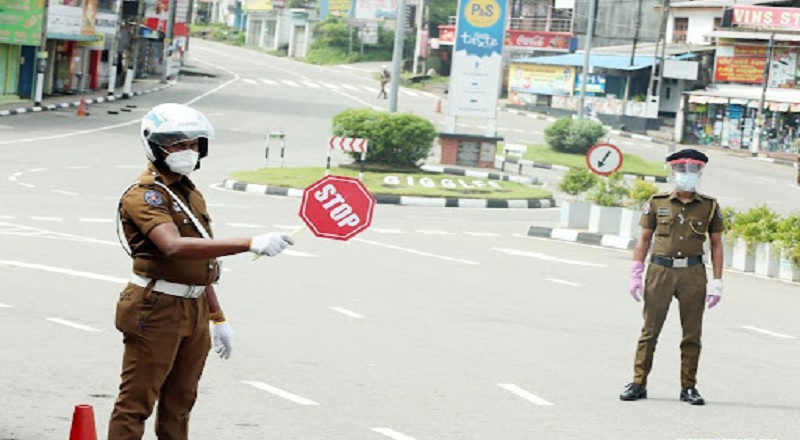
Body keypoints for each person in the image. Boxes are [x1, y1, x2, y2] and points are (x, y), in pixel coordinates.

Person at [108, 103, 295, 440]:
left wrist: (217, 317)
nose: (187, 151)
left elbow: (200, 264)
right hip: (156, 306)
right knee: (136, 404)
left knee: (181, 403)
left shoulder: (189, 193)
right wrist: (249, 242)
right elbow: (174, 247)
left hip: (193, 308)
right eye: (177, 144)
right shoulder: (145, 195)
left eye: (194, 144)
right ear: (155, 146)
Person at [620, 148, 724, 406]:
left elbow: (717, 244)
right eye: (681, 169)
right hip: (660, 271)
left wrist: (717, 281)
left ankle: (688, 387)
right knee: (650, 331)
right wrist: (636, 272)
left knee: (691, 334)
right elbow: (644, 239)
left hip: (693, 273)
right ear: (673, 171)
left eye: (693, 169)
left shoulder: (709, 207)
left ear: (700, 173)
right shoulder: (658, 202)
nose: (686, 175)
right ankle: (638, 382)